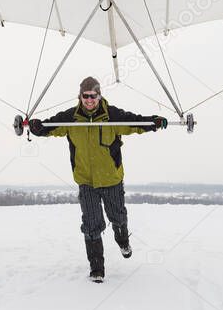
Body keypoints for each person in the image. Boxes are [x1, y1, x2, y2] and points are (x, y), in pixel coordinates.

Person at [28, 76, 167, 283]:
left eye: (93, 96)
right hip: (87, 181)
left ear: (99, 95)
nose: (89, 100)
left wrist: (153, 122)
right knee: (92, 225)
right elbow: (49, 127)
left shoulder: (112, 115)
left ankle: (122, 241)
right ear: (80, 97)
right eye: (85, 96)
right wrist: (37, 128)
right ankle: (97, 269)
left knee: (117, 218)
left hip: (111, 179)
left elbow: (134, 122)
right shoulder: (71, 118)